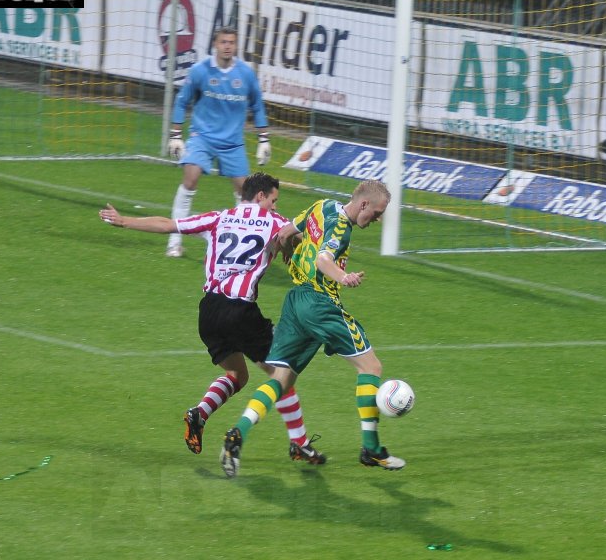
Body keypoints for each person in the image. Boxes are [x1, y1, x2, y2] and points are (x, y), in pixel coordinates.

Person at [99, 172, 325, 465]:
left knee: (238, 375)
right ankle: (299, 444)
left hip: (209, 312)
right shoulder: (276, 223)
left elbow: (169, 225)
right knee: (282, 375)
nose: (274, 206)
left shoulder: (219, 218)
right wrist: (292, 247)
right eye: (273, 200)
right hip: (240, 310)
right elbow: (299, 239)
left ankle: (199, 414)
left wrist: (124, 220)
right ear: (260, 197)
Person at [220, 180, 404, 478]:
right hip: (320, 305)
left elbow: (285, 233)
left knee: (281, 379)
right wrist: (343, 278)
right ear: (364, 205)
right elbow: (322, 259)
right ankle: (371, 449)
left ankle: (237, 432)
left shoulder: (322, 206)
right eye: (378, 212)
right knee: (371, 366)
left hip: (295, 303)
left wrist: (287, 254)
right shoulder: (342, 228)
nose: (378, 219)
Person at [165, 26, 272, 258]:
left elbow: (258, 106)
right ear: (215, 44)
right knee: (190, 178)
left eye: (231, 42)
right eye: (223, 42)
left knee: (247, 193)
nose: (227, 46)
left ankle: (242, 244)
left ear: (236, 46)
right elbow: (182, 101)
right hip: (201, 137)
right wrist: (175, 134)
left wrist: (264, 140)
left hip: (233, 142)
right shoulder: (200, 71)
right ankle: (174, 241)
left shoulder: (245, 74)